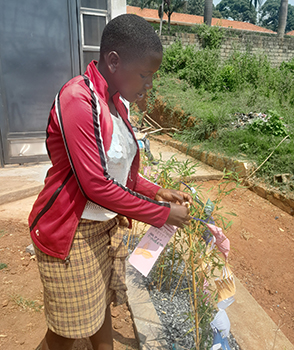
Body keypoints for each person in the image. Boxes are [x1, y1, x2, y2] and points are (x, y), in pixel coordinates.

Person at [29, 14, 192, 350]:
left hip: (103, 229)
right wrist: (160, 213)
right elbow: (96, 185)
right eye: (145, 74)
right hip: (72, 234)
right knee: (67, 330)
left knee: (99, 309)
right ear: (114, 61)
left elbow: (119, 169)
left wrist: (155, 190)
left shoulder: (116, 103)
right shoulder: (78, 99)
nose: (149, 84)